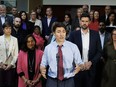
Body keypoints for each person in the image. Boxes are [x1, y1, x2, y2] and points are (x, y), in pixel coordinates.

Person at [40, 22, 83, 87]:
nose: (61, 34)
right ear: (54, 33)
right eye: (58, 32)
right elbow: (43, 64)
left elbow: (79, 63)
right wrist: (42, 68)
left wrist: (79, 66)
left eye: (63, 31)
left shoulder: (73, 47)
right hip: (52, 80)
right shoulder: (48, 48)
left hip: (68, 80)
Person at [69, 13, 102, 87]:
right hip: (77, 69)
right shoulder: (73, 34)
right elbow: (69, 52)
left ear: (89, 22)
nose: (84, 23)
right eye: (83, 21)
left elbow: (99, 51)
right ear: (80, 22)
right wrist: (78, 63)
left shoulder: (96, 34)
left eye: (86, 21)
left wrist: (91, 62)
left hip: (91, 69)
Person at [0, 22, 18, 87]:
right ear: (3, 29)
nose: (9, 30)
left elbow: (16, 54)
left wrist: (11, 64)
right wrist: (1, 63)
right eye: (6, 28)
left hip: (11, 66)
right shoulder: (0, 39)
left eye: (10, 28)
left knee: (10, 84)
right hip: (1, 66)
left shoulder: (15, 39)